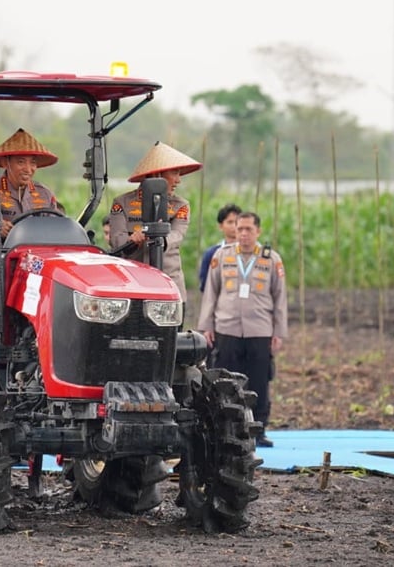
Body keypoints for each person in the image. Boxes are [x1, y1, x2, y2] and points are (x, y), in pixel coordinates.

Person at [196, 211, 286, 447]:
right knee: (225, 380)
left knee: (259, 381)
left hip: (259, 330)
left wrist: (278, 332)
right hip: (227, 328)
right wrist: (206, 326)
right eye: (240, 229)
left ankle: (259, 429)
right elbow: (211, 293)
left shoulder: (271, 259)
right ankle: (225, 430)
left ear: (258, 232)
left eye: (249, 229)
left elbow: (280, 297)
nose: (244, 234)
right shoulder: (221, 256)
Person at [109, 141, 201, 302]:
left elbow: (177, 234)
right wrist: (132, 241)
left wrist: (159, 238)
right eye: (175, 173)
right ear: (157, 175)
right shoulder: (121, 203)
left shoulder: (181, 205)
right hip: (132, 282)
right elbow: (116, 239)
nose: (179, 180)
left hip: (169, 282)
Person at [0, 128, 58, 239]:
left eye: (33, 162)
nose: (28, 169)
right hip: (0, 253)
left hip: (38, 252)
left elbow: (55, 228)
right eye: (21, 162)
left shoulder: (44, 193)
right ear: (5, 163)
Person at [198, 204, 242, 293]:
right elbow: (205, 285)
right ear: (221, 226)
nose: (234, 226)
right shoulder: (212, 254)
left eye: (237, 222)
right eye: (230, 222)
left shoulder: (251, 252)